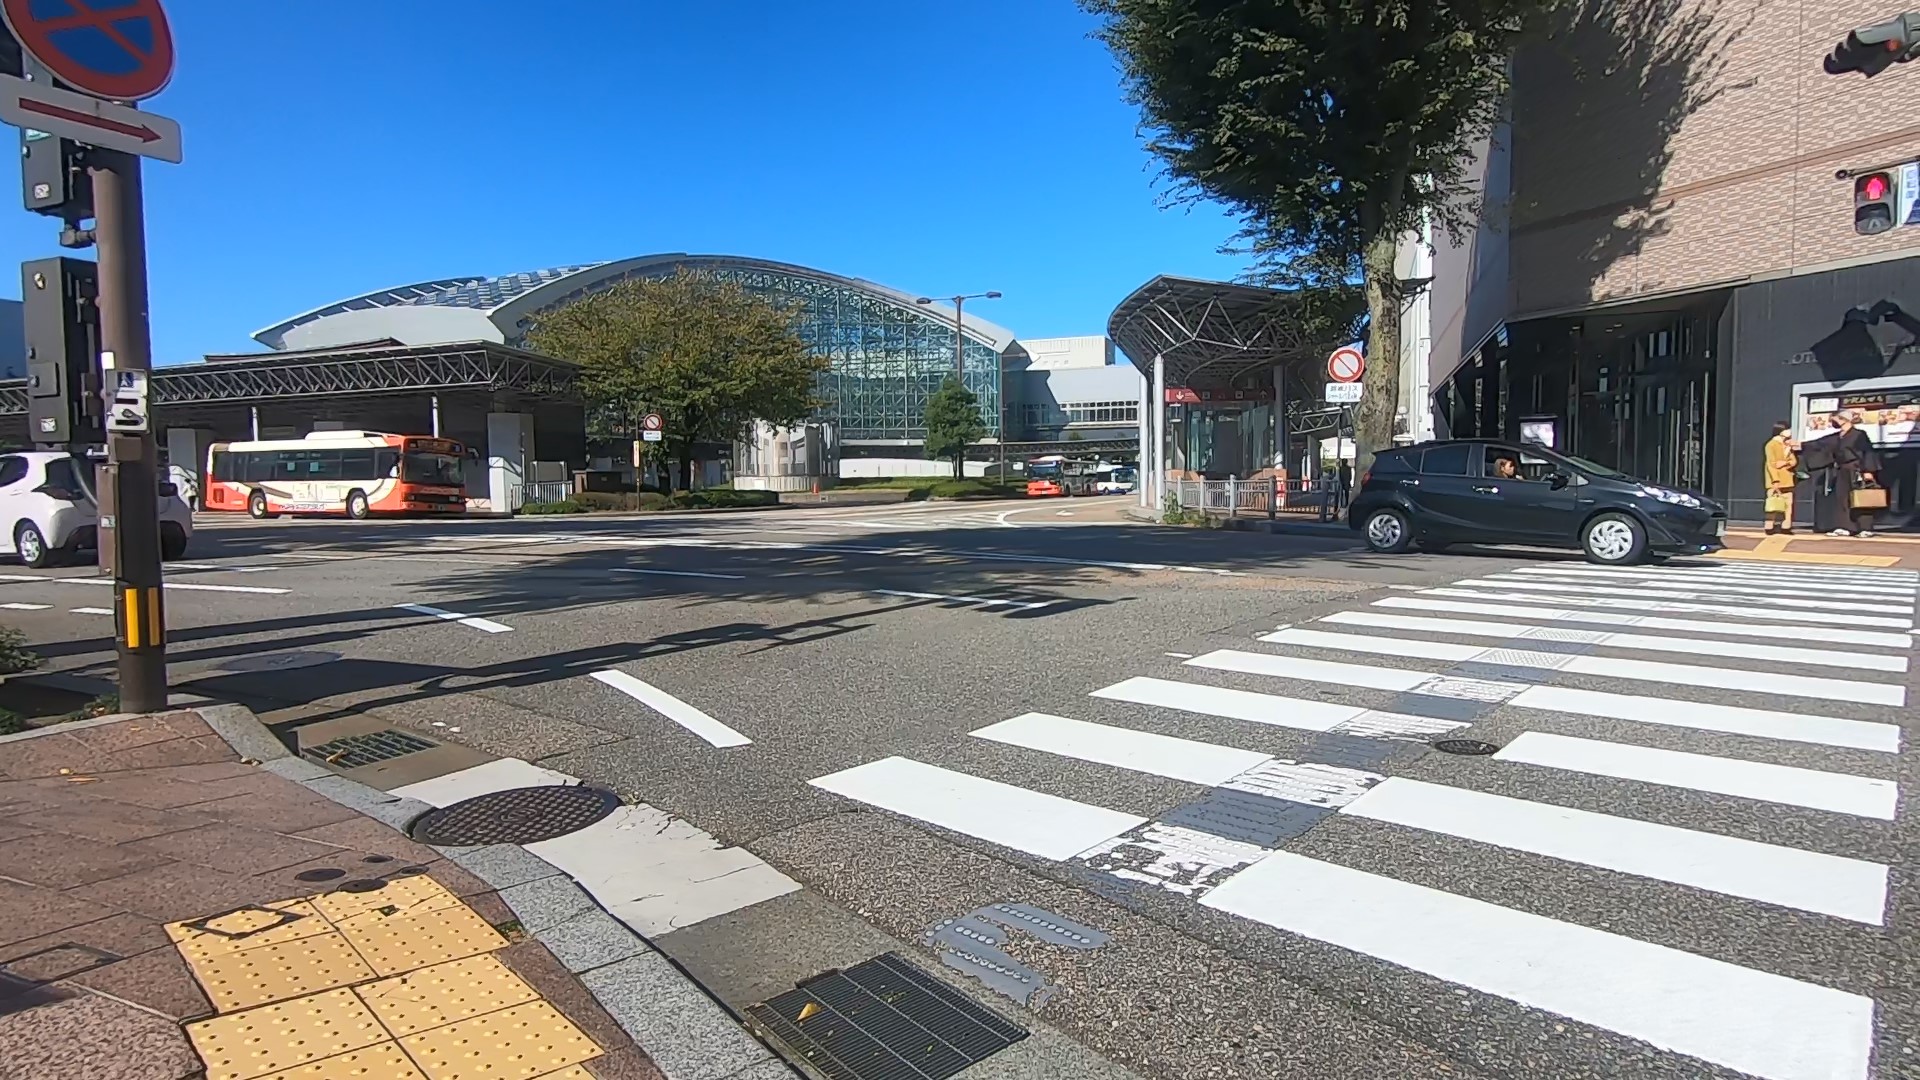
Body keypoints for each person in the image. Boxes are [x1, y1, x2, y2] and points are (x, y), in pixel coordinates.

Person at [1799, 411, 1880, 537]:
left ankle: (1865, 528)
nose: (1833, 422)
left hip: (1857, 469)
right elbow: (1820, 443)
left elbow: (1867, 452)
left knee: (1861, 498)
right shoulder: (1838, 436)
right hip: (1842, 470)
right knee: (1841, 498)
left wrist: (1868, 471)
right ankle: (1845, 526)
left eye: (1835, 419)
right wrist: (1801, 445)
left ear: (1843, 419)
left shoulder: (1859, 434)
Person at [1762, 421, 1798, 534]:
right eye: (1787, 429)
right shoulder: (1771, 445)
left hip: (1787, 478)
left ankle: (1786, 526)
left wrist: (1784, 463)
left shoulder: (1787, 445)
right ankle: (1769, 526)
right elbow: (1771, 464)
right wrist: (1775, 480)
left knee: (1788, 504)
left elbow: (1793, 461)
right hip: (1775, 479)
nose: (1789, 431)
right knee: (1773, 503)